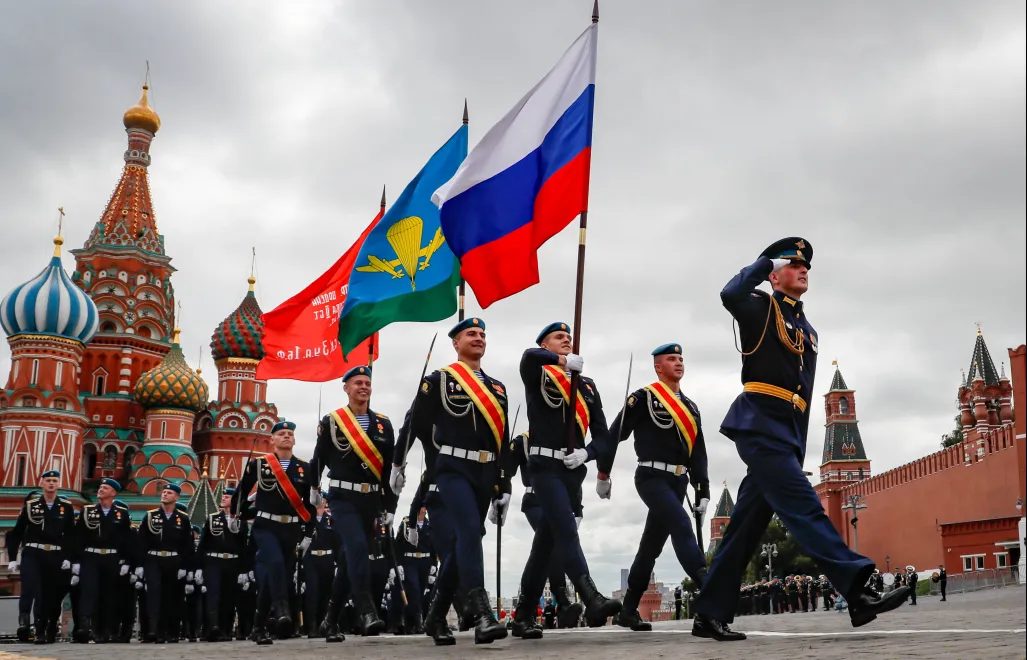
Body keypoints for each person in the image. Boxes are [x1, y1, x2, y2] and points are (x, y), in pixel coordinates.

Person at [692, 238, 911, 641]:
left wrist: (797, 445)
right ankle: (858, 589)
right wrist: (763, 263)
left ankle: (708, 613)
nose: (802, 268)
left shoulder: (807, 330)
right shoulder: (759, 308)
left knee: (744, 531)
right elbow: (729, 293)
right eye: (792, 264)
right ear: (775, 275)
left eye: (805, 265)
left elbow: (804, 395)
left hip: (784, 434)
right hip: (758, 425)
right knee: (805, 508)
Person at [391, 317, 510, 644]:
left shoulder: (498, 388)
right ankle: (483, 614)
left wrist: (505, 487)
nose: (479, 338)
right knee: (469, 532)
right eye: (471, 333)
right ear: (456, 343)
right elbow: (413, 422)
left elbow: (503, 440)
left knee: (465, 544)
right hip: (452, 466)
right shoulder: (440, 381)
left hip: (485, 473)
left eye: (483, 334)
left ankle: (436, 614)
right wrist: (398, 463)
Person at [510, 322, 620, 639]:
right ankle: (591, 597)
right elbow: (529, 357)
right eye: (559, 338)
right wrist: (559, 362)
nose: (566, 341)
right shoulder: (539, 373)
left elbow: (603, 436)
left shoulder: (586, 386)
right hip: (544, 465)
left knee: (544, 547)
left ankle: (522, 616)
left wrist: (588, 453)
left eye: (569, 338)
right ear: (546, 344)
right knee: (566, 532)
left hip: (572, 470)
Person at [602, 342, 711, 631]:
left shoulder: (690, 407)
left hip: (679, 481)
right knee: (681, 523)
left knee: (649, 548)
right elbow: (615, 435)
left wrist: (703, 490)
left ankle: (627, 611)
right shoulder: (644, 398)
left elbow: (698, 451)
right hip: (650, 477)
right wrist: (603, 472)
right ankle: (710, 586)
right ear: (658, 366)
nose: (678, 363)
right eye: (671, 359)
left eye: (681, 359)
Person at [230, 420, 317, 645]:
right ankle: (281, 611)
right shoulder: (259, 465)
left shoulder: (305, 468)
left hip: (291, 528)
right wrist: (234, 516)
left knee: (272, 578)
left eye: (290, 434)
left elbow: (310, 504)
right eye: (282, 434)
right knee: (275, 563)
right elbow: (241, 491)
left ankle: (258, 628)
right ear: (273, 440)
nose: (287, 436)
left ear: (294, 440)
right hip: (265, 526)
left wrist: (308, 533)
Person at [507, 430, 585, 636]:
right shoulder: (523, 440)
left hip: (560, 501)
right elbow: (505, 467)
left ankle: (529, 611)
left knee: (543, 554)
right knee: (553, 551)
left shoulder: (559, 437)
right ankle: (562, 602)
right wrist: (500, 491)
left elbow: (573, 477)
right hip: (535, 501)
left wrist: (577, 508)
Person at [7, 471, 76, 644]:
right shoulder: (31, 505)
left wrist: (68, 557)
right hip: (33, 552)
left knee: (46, 594)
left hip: (54, 554)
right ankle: (24, 621)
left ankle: (40, 630)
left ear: (58, 484)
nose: (51, 484)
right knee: (31, 587)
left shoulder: (65, 506)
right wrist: (13, 558)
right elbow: (16, 533)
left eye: (54, 481)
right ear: (42, 484)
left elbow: (70, 535)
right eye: (48, 481)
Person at [73, 477, 133, 643]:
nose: (100, 490)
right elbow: (78, 536)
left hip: (112, 558)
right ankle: (84, 627)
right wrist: (76, 560)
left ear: (113, 493)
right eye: (100, 487)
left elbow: (127, 540)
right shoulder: (87, 511)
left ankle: (103, 631)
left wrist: (126, 561)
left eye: (105, 488)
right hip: (90, 556)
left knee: (108, 595)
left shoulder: (122, 514)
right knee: (89, 591)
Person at [137, 482, 194, 643]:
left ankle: (170, 631)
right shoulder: (150, 516)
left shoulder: (182, 519)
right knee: (153, 594)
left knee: (172, 596)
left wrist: (185, 566)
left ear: (176, 497)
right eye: (164, 492)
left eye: (169, 493)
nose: (165, 495)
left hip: (173, 561)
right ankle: (152, 630)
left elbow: (187, 545)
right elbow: (141, 542)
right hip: (153, 559)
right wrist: (141, 565)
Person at [196, 486, 248, 641]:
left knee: (229, 597)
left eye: (228, 496)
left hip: (232, 562)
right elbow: (203, 544)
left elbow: (243, 547)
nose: (223, 498)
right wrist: (198, 567)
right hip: (213, 561)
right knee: (213, 594)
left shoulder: (240, 520)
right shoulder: (212, 519)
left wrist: (244, 570)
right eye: (223, 495)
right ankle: (212, 627)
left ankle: (225, 630)